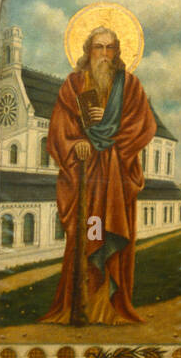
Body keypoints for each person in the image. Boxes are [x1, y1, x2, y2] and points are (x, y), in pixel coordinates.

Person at [42, 26, 156, 326]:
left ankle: (111, 308)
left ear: (117, 52)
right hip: (86, 180)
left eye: (109, 48)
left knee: (111, 235)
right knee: (91, 234)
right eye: (98, 47)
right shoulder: (74, 85)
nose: (104, 54)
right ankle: (79, 305)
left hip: (115, 180)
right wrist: (77, 141)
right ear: (87, 51)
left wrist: (113, 145)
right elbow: (58, 129)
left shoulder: (130, 86)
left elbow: (143, 125)